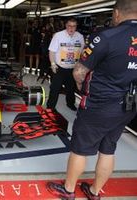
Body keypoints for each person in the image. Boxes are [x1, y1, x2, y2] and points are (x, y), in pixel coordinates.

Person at [47, 0, 137, 199]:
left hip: (99, 104)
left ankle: (68, 190)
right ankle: (95, 192)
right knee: (108, 149)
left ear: (116, 13)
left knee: (80, 149)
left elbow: (79, 72)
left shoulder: (105, 37)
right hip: (128, 105)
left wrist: (81, 88)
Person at [46, 18, 84, 111]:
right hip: (59, 68)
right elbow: (52, 51)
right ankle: (50, 107)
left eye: (74, 26)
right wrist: (53, 64)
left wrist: (81, 66)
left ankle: (70, 104)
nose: (71, 28)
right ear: (66, 26)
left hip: (72, 68)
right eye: (69, 26)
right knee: (55, 88)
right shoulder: (58, 36)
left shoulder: (80, 37)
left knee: (71, 88)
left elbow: (82, 52)